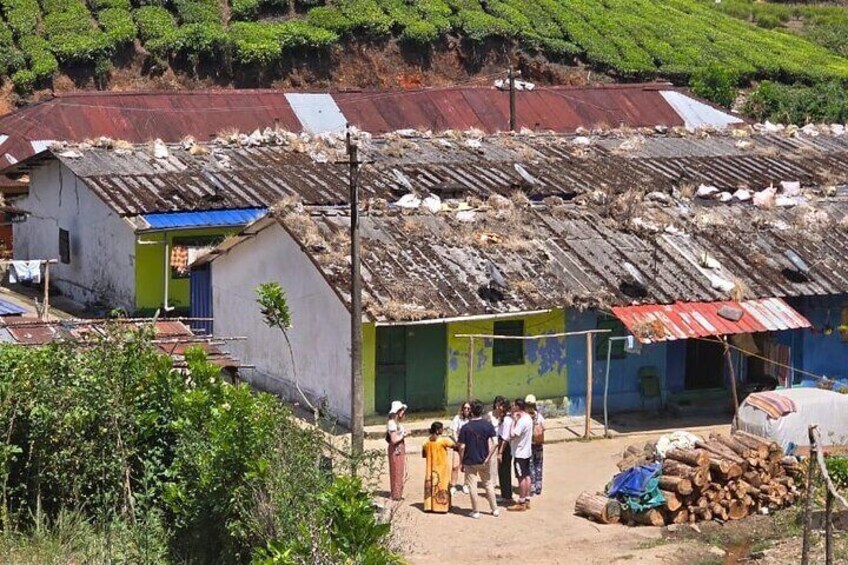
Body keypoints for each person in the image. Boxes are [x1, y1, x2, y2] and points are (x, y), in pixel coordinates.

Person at [457, 399, 500, 519]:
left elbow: (462, 446)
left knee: (472, 485)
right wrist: (488, 457)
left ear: (471, 411)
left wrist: (461, 461)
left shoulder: (465, 427)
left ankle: (476, 511)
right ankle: (494, 509)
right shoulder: (488, 425)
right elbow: (495, 443)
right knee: (488, 484)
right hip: (484, 459)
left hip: (470, 460)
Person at [422, 421, 456, 513]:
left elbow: (424, 454)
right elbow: (455, 446)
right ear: (437, 430)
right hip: (442, 468)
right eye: (441, 428)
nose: (442, 430)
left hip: (430, 468)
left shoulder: (426, 441)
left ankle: (430, 506)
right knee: (442, 485)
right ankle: (442, 507)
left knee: (432, 486)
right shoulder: (444, 440)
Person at [507, 398, 533, 512]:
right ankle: (527, 499)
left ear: (517, 407)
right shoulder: (528, 418)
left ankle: (521, 502)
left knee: (521, 477)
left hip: (520, 452)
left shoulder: (522, 420)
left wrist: (513, 421)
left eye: (514, 405)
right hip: (526, 451)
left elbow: (513, 434)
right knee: (527, 475)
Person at [386, 400, 408, 501]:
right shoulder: (392, 423)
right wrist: (403, 435)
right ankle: (395, 493)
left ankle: (398, 492)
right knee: (396, 469)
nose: (403, 413)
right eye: (401, 410)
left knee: (399, 470)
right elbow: (394, 439)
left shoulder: (396, 423)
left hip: (399, 447)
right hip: (396, 448)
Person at [525, 394, 545, 496]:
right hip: (538, 444)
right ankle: (538, 486)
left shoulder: (525, 416)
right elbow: (544, 428)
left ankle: (532, 486)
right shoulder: (539, 416)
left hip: (529, 445)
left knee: (531, 465)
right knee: (539, 465)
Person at [449, 402, 471, 494]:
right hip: (458, 445)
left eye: (468, 408)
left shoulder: (472, 420)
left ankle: (466, 484)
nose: (466, 410)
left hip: (468, 446)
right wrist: (458, 442)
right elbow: (453, 431)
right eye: (465, 408)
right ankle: (453, 485)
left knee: (468, 467)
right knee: (455, 466)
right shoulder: (457, 418)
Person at [496, 398, 514, 503]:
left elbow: (505, 438)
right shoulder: (503, 419)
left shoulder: (507, 420)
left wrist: (500, 452)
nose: (498, 408)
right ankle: (505, 493)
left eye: (500, 406)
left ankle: (507, 495)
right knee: (502, 471)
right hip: (502, 446)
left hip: (505, 448)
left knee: (505, 471)